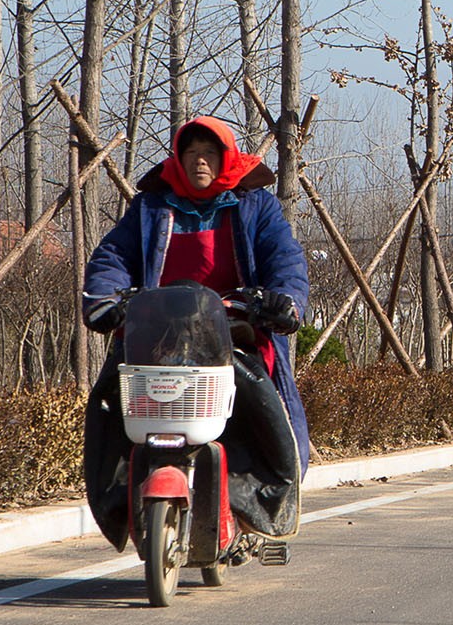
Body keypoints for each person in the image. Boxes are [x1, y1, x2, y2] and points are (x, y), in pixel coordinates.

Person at [83, 116, 314, 474]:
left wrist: (285, 299)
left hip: (235, 330)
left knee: (266, 407)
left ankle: (269, 487)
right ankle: (118, 492)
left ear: (226, 157)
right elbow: (114, 256)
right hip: (157, 336)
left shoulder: (256, 207)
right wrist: (105, 297)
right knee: (109, 408)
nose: (199, 160)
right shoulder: (152, 207)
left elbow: (284, 258)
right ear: (178, 157)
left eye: (209, 152)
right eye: (191, 152)